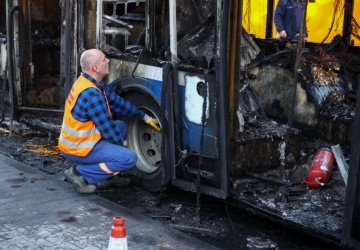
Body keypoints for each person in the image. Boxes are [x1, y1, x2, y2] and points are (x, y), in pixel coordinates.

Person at [58, 48, 161, 194]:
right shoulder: (92, 94)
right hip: (77, 149)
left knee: (121, 126)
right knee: (129, 158)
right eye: (104, 59)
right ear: (95, 67)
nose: (108, 61)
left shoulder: (90, 82)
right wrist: (122, 159)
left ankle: (110, 175)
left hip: (79, 142)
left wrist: (143, 116)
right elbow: (108, 131)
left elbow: (117, 103)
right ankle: (79, 173)